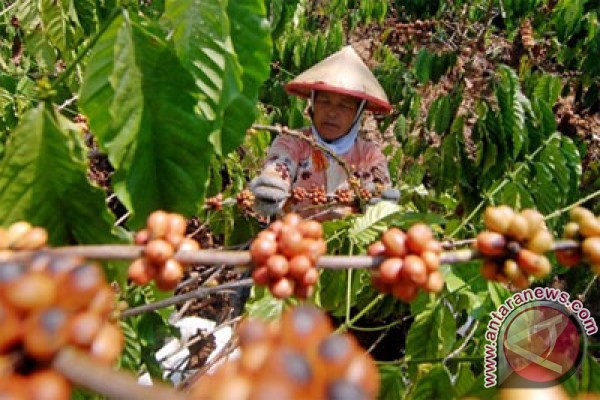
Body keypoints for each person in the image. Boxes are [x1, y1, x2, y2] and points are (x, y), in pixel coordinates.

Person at [250, 46, 399, 219]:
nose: (332, 112)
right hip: (292, 238)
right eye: (324, 102)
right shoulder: (293, 142)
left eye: (344, 106)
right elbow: (280, 165)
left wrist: (379, 203)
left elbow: (378, 193)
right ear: (312, 104)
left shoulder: (369, 156)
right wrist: (272, 184)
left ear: (357, 114)